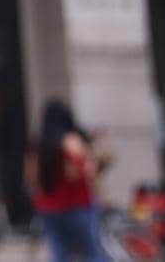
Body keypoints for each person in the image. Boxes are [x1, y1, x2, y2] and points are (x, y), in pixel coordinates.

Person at [26, 98, 110, 262]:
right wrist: (91, 162)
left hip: (47, 205)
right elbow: (78, 173)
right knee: (91, 251)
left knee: (59, 253)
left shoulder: (37, 144)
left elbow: (30, 177)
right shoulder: (70, 141)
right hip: (76, 203)